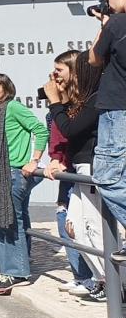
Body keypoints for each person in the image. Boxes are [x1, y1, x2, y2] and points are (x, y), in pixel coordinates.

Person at [0, 73, 49, 295]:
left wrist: (34, 160)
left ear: (6, 88)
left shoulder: (13, 108)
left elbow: (40, 130)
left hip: (12, 172)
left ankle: (16, 273)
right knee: (6, 221)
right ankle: (9, 270)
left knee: (8, 222)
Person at [45, 51, 106, 299]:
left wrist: (55, 102)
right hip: (79, 167)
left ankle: (115, 282)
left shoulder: (96, 98)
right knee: (75, 229)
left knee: (95, 227)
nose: (54, 75)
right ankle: (103, 278)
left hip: (92, 166)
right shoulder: (81, 100)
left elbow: (70, 129)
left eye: (60, 69)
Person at [86, 0, 126, 264]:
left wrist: (104, 26)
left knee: (107, 179)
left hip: (118, 111)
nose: (108, 4)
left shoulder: (117, 22)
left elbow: (94, 59)